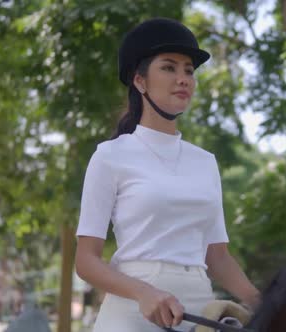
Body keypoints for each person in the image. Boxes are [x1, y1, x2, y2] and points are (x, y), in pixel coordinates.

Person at [74, 17, 261, 332]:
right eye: (169, 67)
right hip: (135, 311)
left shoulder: (205, 162)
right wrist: (144, 292)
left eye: (189, 70)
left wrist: (264, 301)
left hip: (200, 312)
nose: (184, 79)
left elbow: (217, 258)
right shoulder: (110, 156)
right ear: (140, 81)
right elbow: (86, 261)